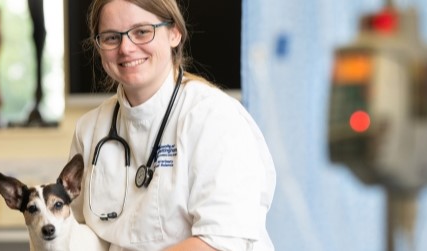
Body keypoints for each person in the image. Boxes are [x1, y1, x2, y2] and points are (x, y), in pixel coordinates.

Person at [67, 0, 276, 250]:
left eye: (142, 32)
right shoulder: (89, 130)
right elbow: (76, 231)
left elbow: (218, 242)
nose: (126, 48)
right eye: (112, 37)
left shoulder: (214, 118)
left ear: (174, 33)